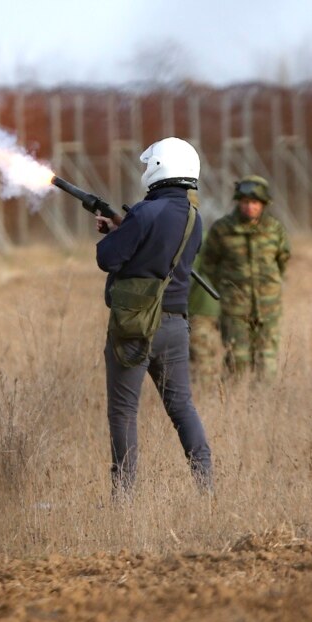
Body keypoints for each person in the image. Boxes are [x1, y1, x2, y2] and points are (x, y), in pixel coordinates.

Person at [95, 137, 213, 497]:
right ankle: (206, 485)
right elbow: (160, 255)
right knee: (182, 407)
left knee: (124, 412)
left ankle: (124, 497)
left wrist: (116, 234)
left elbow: (108, 259)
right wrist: (124, 229)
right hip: (176, 326)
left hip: (136, 326)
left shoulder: (145, 213)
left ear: (160, 168)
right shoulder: (195, 218)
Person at [199, 175, 290, 380]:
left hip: (268, 308)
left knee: (267, 364)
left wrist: (271, 288)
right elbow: (209, 263)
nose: (250, 207)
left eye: (255, 203)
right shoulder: (223, 229)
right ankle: (234, 404)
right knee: (236, 362)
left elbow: (282, 261)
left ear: (263, 204)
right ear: (239, 202)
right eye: (246, 202)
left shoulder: (274, 229)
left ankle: (263, 406)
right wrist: (226, 289)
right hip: (235, 308)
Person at [187, 228, 222, 383]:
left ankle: (207, 395)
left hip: (199, 306)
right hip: (215, 306)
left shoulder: (191, 238)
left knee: (201, 356)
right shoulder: (211, 235)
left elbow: (187, 276)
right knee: (207, 353)